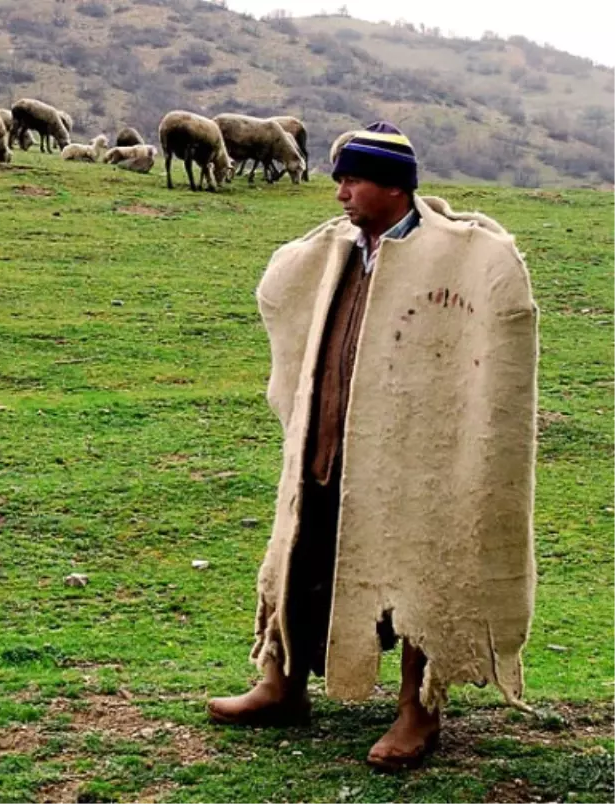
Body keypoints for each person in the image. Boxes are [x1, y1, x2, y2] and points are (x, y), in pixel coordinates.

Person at [207, 122, 540, 771]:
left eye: (351, 180)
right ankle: (282, 683)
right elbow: (281, 292)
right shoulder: (338, 251)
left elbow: (496, 333)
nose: (340, 195)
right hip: (325, 445)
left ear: (392, 186)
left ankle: (418, 710)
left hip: (411, 459)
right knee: (301, 558)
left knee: (415, 576)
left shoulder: (454, 256)